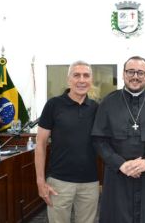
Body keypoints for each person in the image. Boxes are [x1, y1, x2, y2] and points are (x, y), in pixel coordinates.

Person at [91, 56, 145, 223]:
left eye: (140, 72)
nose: (135, 76)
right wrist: (121, 164)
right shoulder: (108, 102)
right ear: (123, 74)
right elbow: (99, 140)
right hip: (117, 175)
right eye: (130, 71)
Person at [35, 61, 99, 223]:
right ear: (68, 79)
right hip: (59, 182)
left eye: (86, 75)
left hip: (90, 183)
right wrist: (40, 181)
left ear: (91, 80)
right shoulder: (53, 105)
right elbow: (41, 144)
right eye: (76, 75)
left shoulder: (96, 108)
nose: (81, 80)